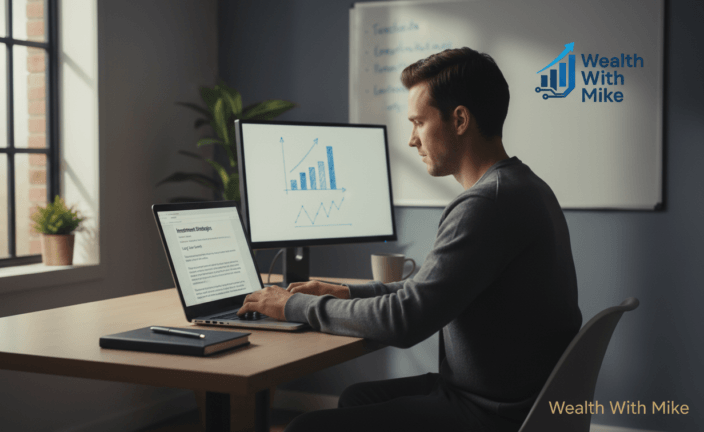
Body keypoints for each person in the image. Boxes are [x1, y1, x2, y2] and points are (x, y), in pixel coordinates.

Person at [237, 47, 583, 432]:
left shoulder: (486, 204)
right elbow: (426, 292)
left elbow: (406, 320)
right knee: (357, 398)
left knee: (306, 428)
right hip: (511, 398)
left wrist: (293, 305)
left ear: (460, 119)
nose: (411, 140)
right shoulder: (522, 187)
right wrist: (344, 294)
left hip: (492, 415)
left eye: (418, 122)